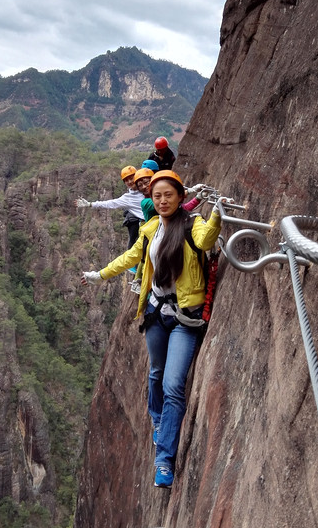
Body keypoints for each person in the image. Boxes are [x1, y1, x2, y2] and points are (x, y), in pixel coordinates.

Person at [81, 169, 224, 489]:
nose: (162, 200)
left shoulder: (193, 224)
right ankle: (157, 420)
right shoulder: (149, 229)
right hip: (156, 314)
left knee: (174, 385)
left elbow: (205, 240)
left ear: (180, 196)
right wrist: (98, 276)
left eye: (168, 195)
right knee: (156, 373)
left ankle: (164, 458)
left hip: (185, 320)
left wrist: (216, 215)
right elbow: (129, 257)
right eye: (156, 196)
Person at [75, 166, 144, 249]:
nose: (129, 182)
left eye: (131, 178)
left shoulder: (147, 188)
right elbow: (110, 203)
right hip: (146, 225)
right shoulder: (127, 198)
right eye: (126, 180)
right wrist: (90, 204)